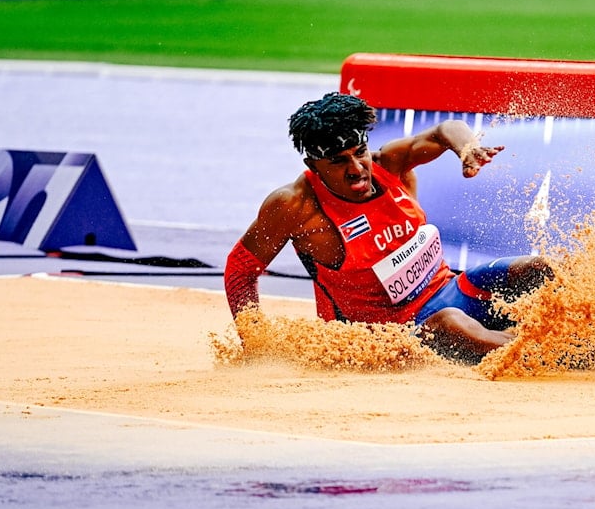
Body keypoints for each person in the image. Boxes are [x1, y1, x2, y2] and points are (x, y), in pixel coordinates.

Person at [224, 92, 552, 363]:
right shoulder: (294, 207)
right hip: (392, 335)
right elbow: (240, 268)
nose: (356, 169)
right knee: (452, 323)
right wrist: (254, 341)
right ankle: (552, 353)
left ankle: (582, 329)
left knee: (539, 268)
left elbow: (445, 129)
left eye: (359, 153)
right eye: (339, 161)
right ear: (313, 166)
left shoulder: (389, 164)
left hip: (451, 290)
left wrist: (467, 149)